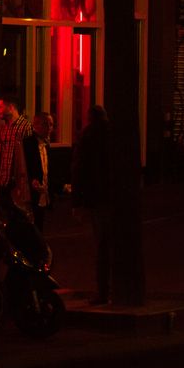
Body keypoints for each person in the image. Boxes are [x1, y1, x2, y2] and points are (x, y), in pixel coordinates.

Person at [72, 105, 112, 305]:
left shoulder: (87, 136)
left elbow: (80, 167)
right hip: (113, 195)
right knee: (112, 243)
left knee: (101, 243)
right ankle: (114, 288)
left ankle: (103, 291)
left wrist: (77, 201)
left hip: (96, 197)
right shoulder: (113, 134)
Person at [0, 95, 31, 214]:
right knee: (3, 210)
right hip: (4, 180)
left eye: (0, 107)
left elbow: (30, 156)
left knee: (18, 213)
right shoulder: (3, 128)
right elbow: (0, 154)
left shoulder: (26, 127)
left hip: (18, 180)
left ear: (11, 107)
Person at [22, 111, 54, 231]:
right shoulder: (28, 144)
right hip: (30, 194)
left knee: (40, 224)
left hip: (42, 192)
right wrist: (32, 180)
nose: (49, 128)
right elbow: (24, 166)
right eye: (46, 124)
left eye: (51, 125)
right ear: (36, 125)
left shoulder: (46, 144)